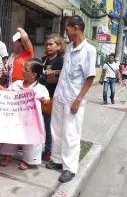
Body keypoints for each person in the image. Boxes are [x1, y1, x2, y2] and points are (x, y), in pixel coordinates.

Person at [46, 15, 96, 183]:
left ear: (76, 28)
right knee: (57, 130)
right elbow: (65, 72)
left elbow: (90, 77)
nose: (65, 32)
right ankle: (57, 160)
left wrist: (78, 99)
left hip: (74, 99)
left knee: (71, 133)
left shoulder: (89, 50)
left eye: (67, 28)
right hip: (60, 95)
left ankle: (70, 168)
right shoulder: (68, 48)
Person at [0, 58, 49, 170]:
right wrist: (0, 89)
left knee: (31, 139)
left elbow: (47, 102)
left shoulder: (41, 89)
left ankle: (27, 159)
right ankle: (8, 154)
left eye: (26, 69)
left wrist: (45, 101)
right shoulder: (17, 84)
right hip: (15, 117)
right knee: (10, 134)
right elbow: (8, 93)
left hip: (31, 120)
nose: (23, 71)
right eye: (24, 68)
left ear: (33, 75)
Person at [39, 34, 65, 162]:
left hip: (51, 97)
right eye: (47, 44)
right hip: (39, 96)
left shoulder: (60, 60)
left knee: (49, 126)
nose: (48, 47)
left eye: (51, 44)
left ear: (59, 46)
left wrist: (51, 75)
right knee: (38, 124)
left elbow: (61, 77)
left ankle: (49, 151)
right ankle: (38, 148)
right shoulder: (44, 60)